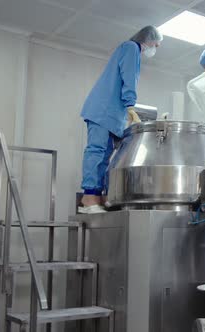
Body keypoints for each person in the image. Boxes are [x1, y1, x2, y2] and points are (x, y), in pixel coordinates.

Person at [79, 26, 163, 214]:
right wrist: (131, 105)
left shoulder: (126, 49)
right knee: (97, 151)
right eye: (155, 44)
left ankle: (97, 196)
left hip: (110, 113)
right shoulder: (131, 47)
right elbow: (129, 77)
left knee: (104, 157)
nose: (155, 48)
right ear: (147, 40)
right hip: (102, 110)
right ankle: (89, 197)